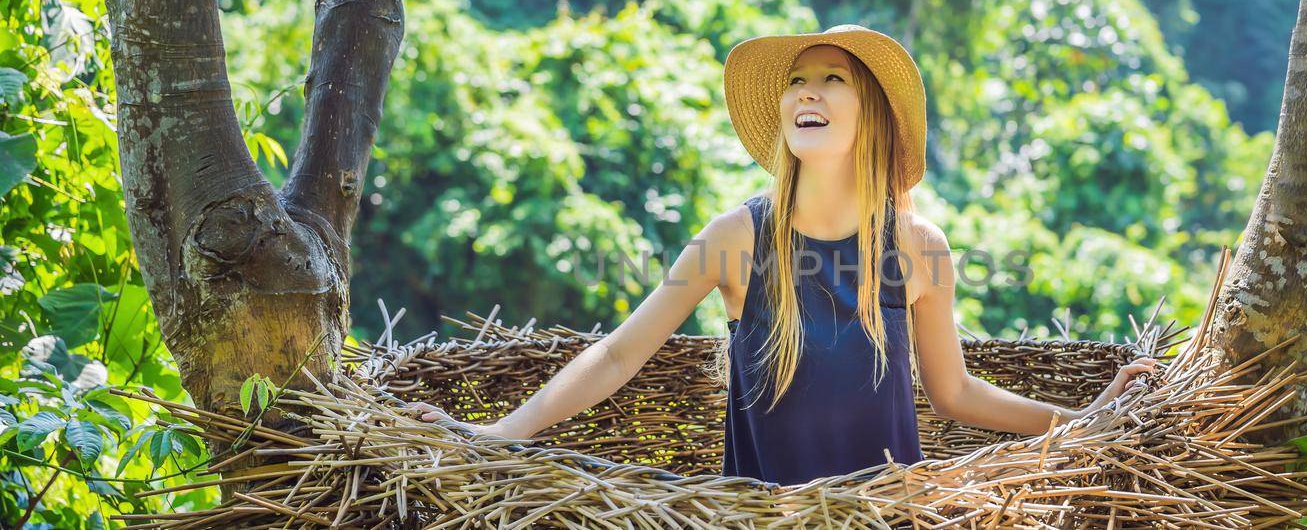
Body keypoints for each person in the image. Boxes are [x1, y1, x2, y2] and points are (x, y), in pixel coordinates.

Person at [405, 24, 1158, 486]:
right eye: (798, 81)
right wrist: (499, 432)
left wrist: (1082, 417)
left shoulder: (920, 250)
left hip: (890, 516)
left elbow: (957, 392)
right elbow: (614, 356)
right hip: (764, 518)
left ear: (872, 115)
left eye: (834, 79)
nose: (808, 92)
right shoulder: (734, 239)